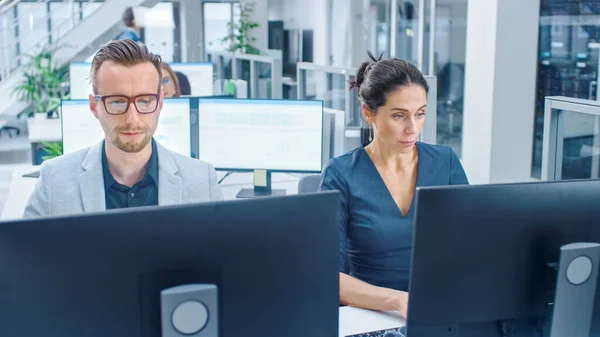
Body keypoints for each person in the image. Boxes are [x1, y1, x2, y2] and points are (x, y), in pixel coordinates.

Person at [319, 51, 469, 318]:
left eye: (420, 114)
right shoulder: (342, 174)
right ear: (368, 113)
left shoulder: (445, 162)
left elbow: (471, 248)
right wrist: (398, 301)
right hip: (371, 314)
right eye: (399, 116)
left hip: (439, 310)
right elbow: (327, 275)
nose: (413, 128)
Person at [23, 40, 223, 218]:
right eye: (117, 102)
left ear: (160, 103)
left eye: (145, 101)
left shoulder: (202, 181)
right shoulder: (54, 181)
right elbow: (26, 257)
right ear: (94, 106)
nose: (132, 119)